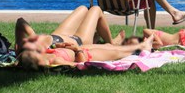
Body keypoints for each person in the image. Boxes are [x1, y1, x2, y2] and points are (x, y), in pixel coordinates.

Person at [15, 5, 125, 56]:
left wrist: (30, 35)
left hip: (58, 35)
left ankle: (97, 36)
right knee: (96, 9)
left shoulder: (22, 47)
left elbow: (20, 21)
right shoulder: (45, 56)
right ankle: (112, 43)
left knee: (82, 8)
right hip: (78, 40)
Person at [18, 34, 154, 69]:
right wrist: (77, 50)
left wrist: (59, 46)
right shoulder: (54, 61)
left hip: (81, 49)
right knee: (116, 51)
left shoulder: (46, 53)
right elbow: (80, 65)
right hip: (86, 55)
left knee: (109, 45)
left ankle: (142, 44)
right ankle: (144, 46)